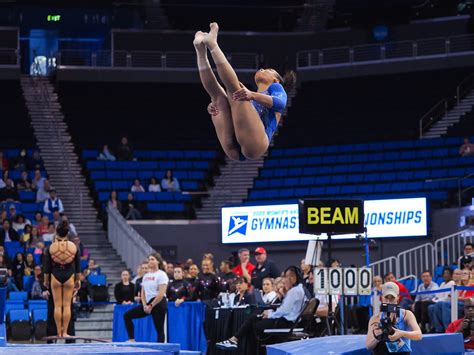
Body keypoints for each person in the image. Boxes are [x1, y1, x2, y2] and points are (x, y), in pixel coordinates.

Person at [194, 23, 295, 161]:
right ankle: (200, 51)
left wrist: (251, 95)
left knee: (236, 92)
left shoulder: (276, 88)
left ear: (275, 80)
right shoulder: (251, 99)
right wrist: (214, 107)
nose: (261, 69)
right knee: (218, 99)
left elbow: (281, 103)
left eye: (268, 70)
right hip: (236, 147)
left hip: (256, 143)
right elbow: (239, 115)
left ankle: (213, 45)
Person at [216, 266, 306, 350]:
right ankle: (234, 340)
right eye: (287, 276)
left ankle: (237, 341)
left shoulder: (294, 291)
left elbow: (284, 310)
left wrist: (269, 315)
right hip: (286, 320)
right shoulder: (298, 289)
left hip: (286, 322)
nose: (288, 279)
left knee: (253, 326)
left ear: (298, 277)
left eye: (292, 276)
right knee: (252, 318)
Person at [43, 222, 81, 337]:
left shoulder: (51, 247)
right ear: (68, 233)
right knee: (67, 305)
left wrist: (46, 280)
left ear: (56, 232)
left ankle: (58, 332)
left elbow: (47, 266)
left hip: (56, 275)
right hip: (69, 275)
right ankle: (65, 333)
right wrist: (77, 280)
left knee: (57, 305)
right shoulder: (73, 247)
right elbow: (78, 266)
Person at [366, 282, 422, 354]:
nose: (389, 301)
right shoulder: (375, 318)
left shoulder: (406, 314)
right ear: (382, 297)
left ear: (398, 297)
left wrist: (401, 333)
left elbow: (419, 335)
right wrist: (377, 337)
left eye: (392, 298)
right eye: (386, 298)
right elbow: (368, 346)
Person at [124, 253, 168, 343]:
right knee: (127, 315)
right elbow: (143, 293)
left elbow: (161, 294)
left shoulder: (162, 274)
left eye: (152, 259)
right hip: (148, 303)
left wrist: (151, 305)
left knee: (159, 329)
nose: (150, 261)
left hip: (158, 302)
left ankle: (161, 351)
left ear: (158, 262)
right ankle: (131, 339)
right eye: (149, 259)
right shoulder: (146, 276)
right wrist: (144, 305)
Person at [430, 268, 474, 333]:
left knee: (445, 304)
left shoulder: (472, 285)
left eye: (465, 273)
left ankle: (448, 328)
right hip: (459, 302)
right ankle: (439, 329)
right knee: (435, 305)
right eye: (461, 273)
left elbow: (471, 298)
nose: (463, 275)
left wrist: (459, 298)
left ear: (470, 275)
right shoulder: (460, 286)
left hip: (465, 304)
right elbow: (453, 296)